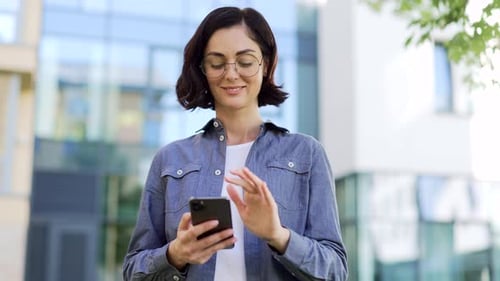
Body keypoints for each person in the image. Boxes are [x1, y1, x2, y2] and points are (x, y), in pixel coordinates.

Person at [123, 6, 348, 281]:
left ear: (265, 64)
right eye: (217, 63)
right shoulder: (170, 160)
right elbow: (133, 272)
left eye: (245, 61)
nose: (231, 74)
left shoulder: (306, 154)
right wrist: (176, 254)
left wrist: (278, 235)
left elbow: (336, 270)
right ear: (203, 69)